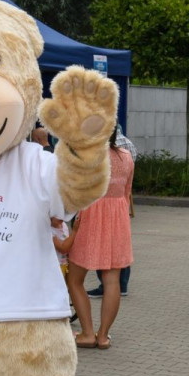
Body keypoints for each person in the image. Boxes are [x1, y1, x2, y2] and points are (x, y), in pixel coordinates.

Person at [66, 127, 134, 350]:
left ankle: (87, 333)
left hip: (91, 217)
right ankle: (103, 336)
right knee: (112, 280)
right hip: (118, 219)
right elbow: (126, 192)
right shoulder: (126, 156)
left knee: (75, 279)